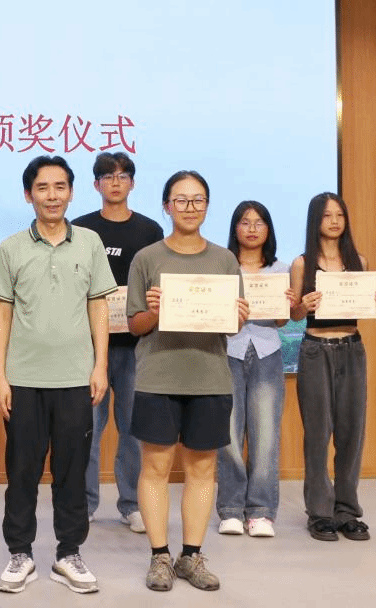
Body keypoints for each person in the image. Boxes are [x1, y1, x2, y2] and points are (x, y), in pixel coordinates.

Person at [0, 155, 113, 595]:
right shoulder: (10, 248)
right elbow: (2, 315)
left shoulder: (90, 243)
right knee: (21, 470)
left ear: (72, 192)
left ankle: (68, 553)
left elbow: (99, 306)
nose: (52, 195)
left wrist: (100, 365)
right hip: (23, 379)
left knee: (72, 471)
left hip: (76, 379)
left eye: (60, 187)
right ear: (29, 195)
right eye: (42, 187)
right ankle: (20, 554)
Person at [127, 170, 247, 592]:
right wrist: (155, 311)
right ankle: (160, 556)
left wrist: (239, 317)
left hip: (210, 378)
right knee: (155, 467)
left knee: (202, 468)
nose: (190, 207)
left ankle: (191, 556)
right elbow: (136, 325)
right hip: (158, 377)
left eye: (198, 200)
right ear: (167, 206)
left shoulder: (224, 260)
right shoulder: (147, 258)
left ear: (207, 206)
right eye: (181, 200)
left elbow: (231, 325)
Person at [71, 151, 163, 532]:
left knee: (132, 429)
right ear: (96, 184)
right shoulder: (80, 229)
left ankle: (132, 504)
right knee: (87, 429)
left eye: (123, 175)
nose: (115, 182)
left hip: (137, 346)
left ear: (132, 183)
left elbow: (156, 283)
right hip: (90, 347)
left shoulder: (150, 230)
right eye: (107, 176)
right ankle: (85, 502)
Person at [290, 192, 376, 542]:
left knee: (351, 433)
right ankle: (319, 512)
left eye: (340, 215)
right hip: (316, 350)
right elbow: (293, 315)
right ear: (315, 220)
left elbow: (363, 307)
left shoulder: (358, 260)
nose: (334, 221)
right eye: (327, 215)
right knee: (318, 434)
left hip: (352, 348)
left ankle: (346, 510)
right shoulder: (302, 263)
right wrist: (303, 305)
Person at [215, 201, 294, 539]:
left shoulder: (281, 268)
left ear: (268, 229)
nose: (251, 228)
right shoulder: (222, 266)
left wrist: (287, 305)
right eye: (245, 222)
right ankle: (231, 510)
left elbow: (281, 321)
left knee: (265, 435)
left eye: (259, 222)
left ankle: (261, 512)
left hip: (266, 353)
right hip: (228, 351)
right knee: (229, 435)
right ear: (235, 228)